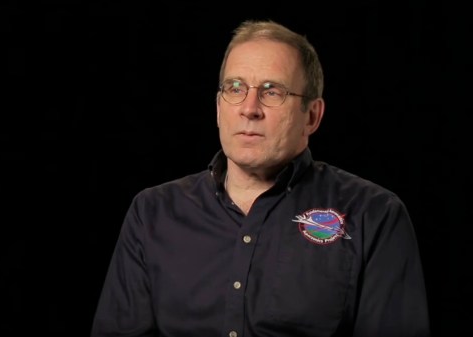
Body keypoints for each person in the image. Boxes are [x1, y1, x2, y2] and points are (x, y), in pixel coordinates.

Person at [90, 19, 430, 337]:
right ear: (218, 108)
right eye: (235, 87)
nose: (249, 107)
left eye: (272, 91)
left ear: (312, 116)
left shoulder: (373, 214)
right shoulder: (153, 213)